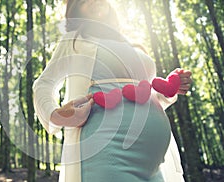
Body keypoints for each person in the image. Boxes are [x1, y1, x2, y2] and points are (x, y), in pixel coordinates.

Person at [32, 0, 192, 181]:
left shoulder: (132, 45)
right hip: (108, 149)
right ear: (76, 9)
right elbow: (44, 84)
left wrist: (170, 89)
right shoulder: (75, 41)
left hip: (154, 162)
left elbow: (143, 94)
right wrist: (55, 115)